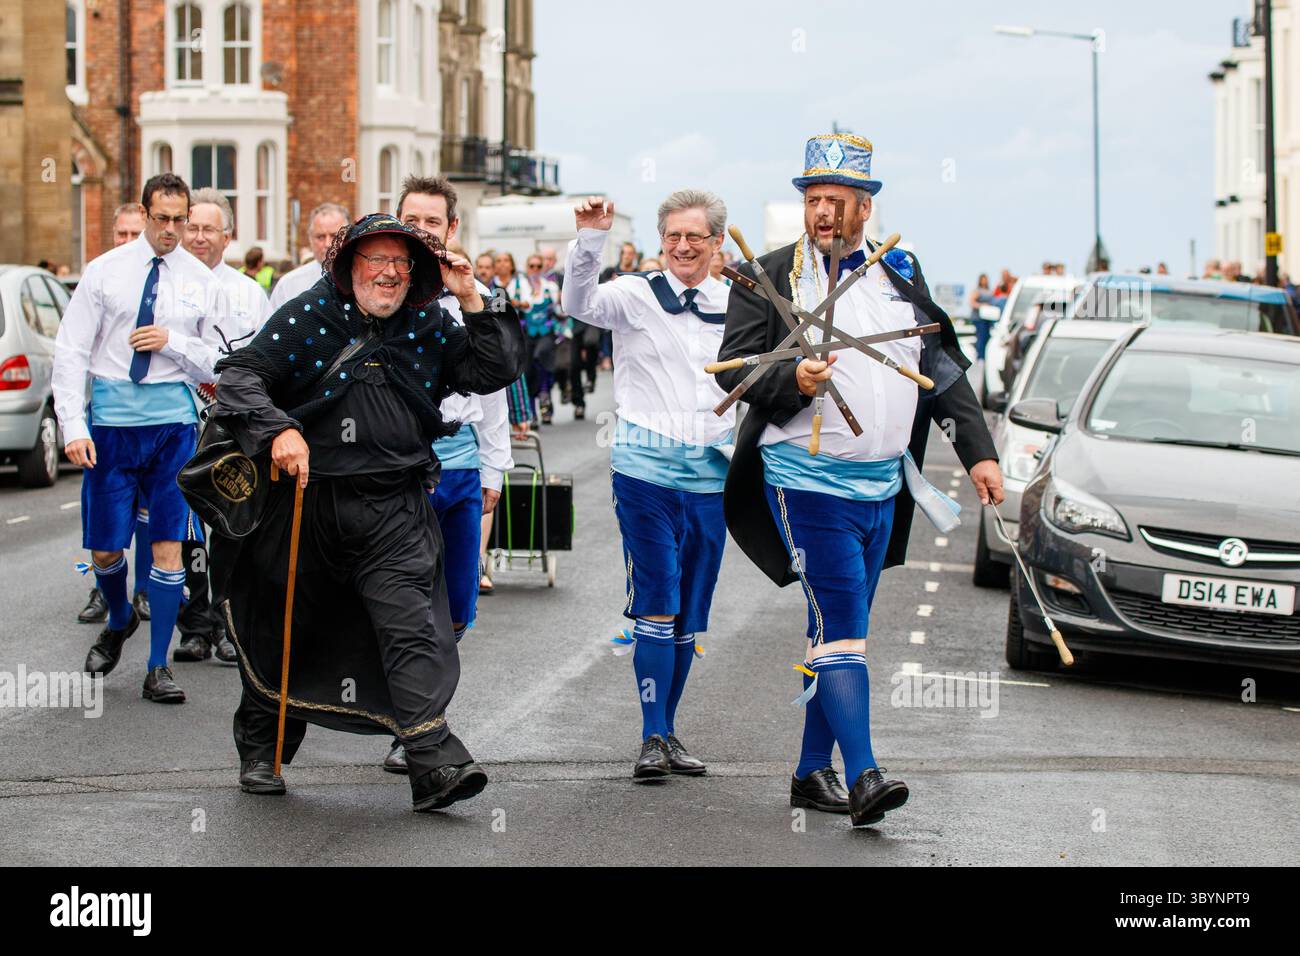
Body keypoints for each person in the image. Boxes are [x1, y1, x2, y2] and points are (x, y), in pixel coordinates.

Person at [714, 133, 1003, 828]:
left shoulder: (899, 271)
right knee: (842, 627)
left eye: (836, 202)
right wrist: (793, 376)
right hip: (804, 482)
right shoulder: (771, 276)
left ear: (865, 208)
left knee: (837, 628)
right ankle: (864, 775)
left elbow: (944, 371)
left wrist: (978, 453)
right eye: (813, 200)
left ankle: (813, 772)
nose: (822, 214)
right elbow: (737, 368)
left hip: (881, 487)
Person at [206, 213, 524, 807]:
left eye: (401, 264)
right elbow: (239, 377)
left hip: (396, 508)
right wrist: (278, 429)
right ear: (348, 263)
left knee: (412, 629)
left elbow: (493, 369)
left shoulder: (427, 321)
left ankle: (432, 763)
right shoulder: (308, 314)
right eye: (376, 260)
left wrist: (472, 299)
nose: (389, 274)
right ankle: (264, 752)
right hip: (306, 503)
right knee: (285, 632)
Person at [564, 189, 734, 780]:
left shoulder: (739, 302)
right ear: (662, 240)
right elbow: (577, 301)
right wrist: (590, 239)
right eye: (673, 236)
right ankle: (651, 736)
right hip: (644, 471)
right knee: (658, 599)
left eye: (695, 237)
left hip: (713, 475)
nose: (683, 247)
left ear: (717, 242)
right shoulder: (634, 294)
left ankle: (668, 728)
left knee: (690, 610)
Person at [53, 172, 227, 704]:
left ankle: (157, 667)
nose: (174, 230)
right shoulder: (105, 272)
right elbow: (71, 348)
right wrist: (72, 426)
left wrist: (172, 341)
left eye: (182, 220)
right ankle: (121, 616)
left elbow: (219, 360)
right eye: (164, 219)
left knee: (168, 547)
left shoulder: (200, 279)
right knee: (105, 550)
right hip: (110, 424)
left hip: (173, 424)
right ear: (146, 214)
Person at [381, 176, 514, 773]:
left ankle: (418, 712)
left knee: (457, 607)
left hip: (460, 469)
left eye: (433, 222)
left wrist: (495, 468)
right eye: (412, 220)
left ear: (450, 229)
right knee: (402, 603)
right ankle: (412, 726)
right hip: (397, 471)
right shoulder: (380, 289)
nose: (423, 231)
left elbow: (494, 391)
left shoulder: (473, 296)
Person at [173, 187, 272, 664]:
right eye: (191, 227)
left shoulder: (249, 293)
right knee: (186, 528)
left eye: (207, 228)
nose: (197, 237)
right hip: (178, 421)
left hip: (231, 428)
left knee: (230, 527)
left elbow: (263, 362)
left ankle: (229, 622)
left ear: (227, 237)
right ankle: (195, 625)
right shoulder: (166, 286)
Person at [77, 202, 152, 626]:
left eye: (132, 234)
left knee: (147, 507)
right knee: (100, 507)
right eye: (119, 234)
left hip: (154, 413)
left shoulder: (163, 277)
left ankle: (144, 590)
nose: (125, 241)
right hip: (107, 410)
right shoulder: (99, 274)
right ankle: (101, 588)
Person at [268, 202, 350, 311]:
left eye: (335, 236)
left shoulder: (366, 280)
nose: (328, 244)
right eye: (320, 237)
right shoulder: (289, 285)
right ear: (310, 239)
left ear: (349, 237)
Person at [510, 253, 561, 425]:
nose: (535, 270)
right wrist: (516, 304)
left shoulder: (550, 287)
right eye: (531, 266)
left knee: (543, 354)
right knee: (528, 370)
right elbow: (505, 306)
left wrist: (562, 302)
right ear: (527, 267)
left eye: (538, 266)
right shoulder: (518, 286)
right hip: (526, 333)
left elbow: (561, 311)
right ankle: (532, 413)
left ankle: (545, 392)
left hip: (546, 331)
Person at [968, 272, 997, 361]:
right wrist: (982, 305)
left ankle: (985, 356)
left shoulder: (989, 291)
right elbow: (971, 302)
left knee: (987, 337)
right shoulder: (977, 291)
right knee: (981, 337)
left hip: (988, 318)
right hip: (979, 318)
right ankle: (980, 356)